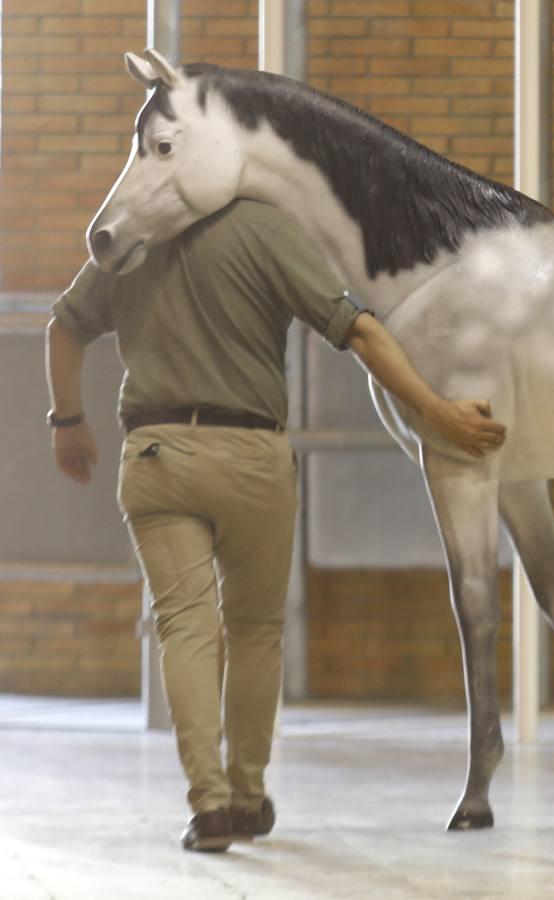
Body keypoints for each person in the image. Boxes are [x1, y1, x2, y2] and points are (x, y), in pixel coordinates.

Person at [45, 198, 509, 852]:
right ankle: (245, 795)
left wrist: (67, 423)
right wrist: (435, 411)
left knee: (183, 625)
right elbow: (363, 331)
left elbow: (63, 328)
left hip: (155, 453)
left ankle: (207, 807)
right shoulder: (266, 229)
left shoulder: (137, 232)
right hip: (249, 457)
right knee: (256, 630)